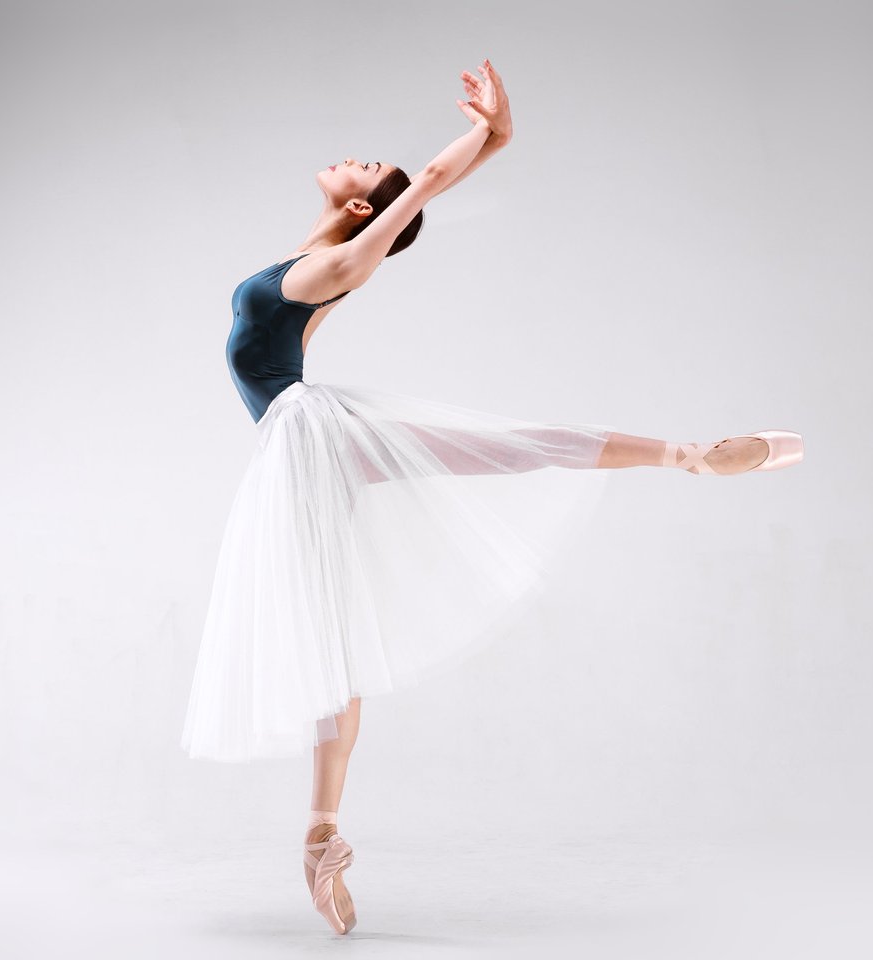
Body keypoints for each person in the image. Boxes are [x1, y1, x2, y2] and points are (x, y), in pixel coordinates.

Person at [180, 59, 804, 935]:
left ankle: (323, 834)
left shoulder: (344, 262)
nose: (357, 160)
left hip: (305, 436)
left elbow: (424, 183)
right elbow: (325, 274)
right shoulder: (315, 264)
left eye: (365, 172)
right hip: (303, 442)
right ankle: (687, 456)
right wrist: (392, 195)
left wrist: (490, 136)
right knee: (365, 601)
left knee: (484, 472)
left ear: (366, 212)